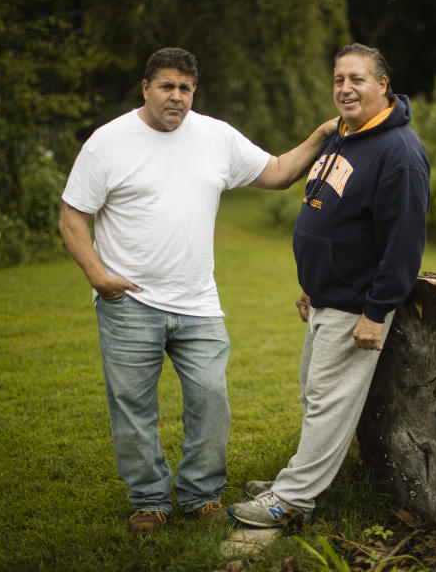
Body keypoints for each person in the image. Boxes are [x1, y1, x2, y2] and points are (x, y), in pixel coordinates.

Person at [59, 47, 337, 535]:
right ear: (145, 88)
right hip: (130, 301)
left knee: (211, 401)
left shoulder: (215, 136)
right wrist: (98, 275)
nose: (177, 97)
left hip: (199, 304)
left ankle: (200, 494)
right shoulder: (108, 143)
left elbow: (276, 172)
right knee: (133, 407)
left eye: (185, 88)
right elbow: (72, 214)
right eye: (166, 86)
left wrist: (319, 135)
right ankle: (149, 500)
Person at [227, 43, 430, 527]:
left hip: (357, 304)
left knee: (327, 401)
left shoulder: (399, 154)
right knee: (314, 393)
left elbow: (403, 245)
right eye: (339, 79)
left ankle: (293, 500)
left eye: (357, 79)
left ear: (383, 85)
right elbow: (329, 211)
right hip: (325, 297)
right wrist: (312, 285)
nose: (345, 88)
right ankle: (298, 478)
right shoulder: (342, 136)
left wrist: (376, 311)